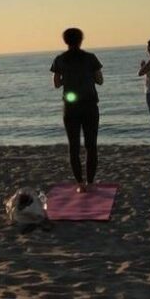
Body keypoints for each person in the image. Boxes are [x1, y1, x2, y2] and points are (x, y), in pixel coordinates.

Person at [50, 28, 103, 193]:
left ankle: (80, 184)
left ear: (65, 41)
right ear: (81, 40)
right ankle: (91, 182)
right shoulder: (90, 58)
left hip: (71, 107)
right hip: (89, 105)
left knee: (73, 146)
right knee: (91, 145)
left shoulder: (60, 60)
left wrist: (68, 78)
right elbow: (100, 80)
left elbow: (57, 84)